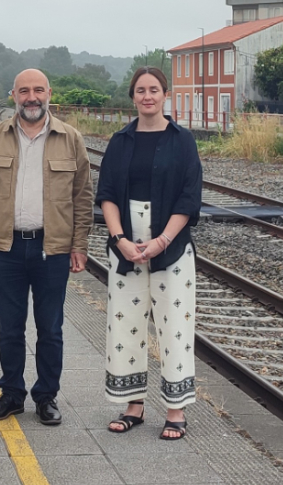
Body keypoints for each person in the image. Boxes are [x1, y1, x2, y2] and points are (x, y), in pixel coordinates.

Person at [0, 68, 93, 425]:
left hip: (51, 248)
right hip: (6, 249)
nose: (31, 97)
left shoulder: (70, 138)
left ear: (49, 93)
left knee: (50, 328)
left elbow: (82, 197)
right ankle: (11, 394)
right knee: (9, 328)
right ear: (14, 95)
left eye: (38, 90)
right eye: (24, 91)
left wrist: (79, 245)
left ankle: (46, 396)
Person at [96, 67, 202, 440]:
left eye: (153, 89)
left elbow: (189, 197)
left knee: (174, 325)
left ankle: (176, 410)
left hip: (171, 247)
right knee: (125, 324)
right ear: (133, 96)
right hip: (126, 246)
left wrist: (161, 241)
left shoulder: (182, 140)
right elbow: (107, 193)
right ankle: (133, 405)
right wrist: (120, 238)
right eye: (140, 90)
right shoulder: (120, 140)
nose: (147, 96)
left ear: (165, 94)